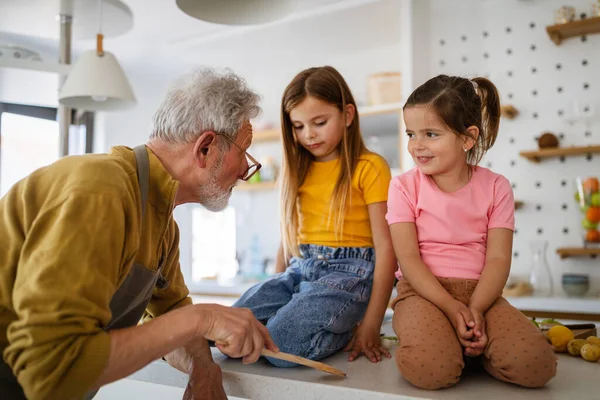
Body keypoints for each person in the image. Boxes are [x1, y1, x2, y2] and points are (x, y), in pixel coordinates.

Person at [0, 68, 278, 400]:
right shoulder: (102, 191)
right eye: (244, 154)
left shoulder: (163, 225)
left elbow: (172, 313)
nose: (246, 172)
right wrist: (202, 317)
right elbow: (53, 369)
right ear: (206, 148)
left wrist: (203, 368)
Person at [386, 74, 557, 390]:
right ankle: (456, 346)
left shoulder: (496, 187)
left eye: (431, 134)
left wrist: (475, 309)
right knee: (431, 371)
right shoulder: (403, 186)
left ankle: (467, 347)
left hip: (483, 294)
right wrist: (452, 309)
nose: (416, 145)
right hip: (423, 292)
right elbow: (408, 259)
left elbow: (497, 260)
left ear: (468, 138)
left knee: (537, 366)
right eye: (411, 133)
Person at [232, 66, 397, 366]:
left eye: (319, 122)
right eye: (298, 126)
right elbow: (288, 238)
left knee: (278, 349)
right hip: (299, 268)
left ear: (347, 115)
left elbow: (386, 249)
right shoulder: (297, 170)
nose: (308, 134)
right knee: (230, 330)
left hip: (351, 274)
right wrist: (276, 285)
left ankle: (347, 329)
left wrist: (372, 325)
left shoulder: (369, 167)